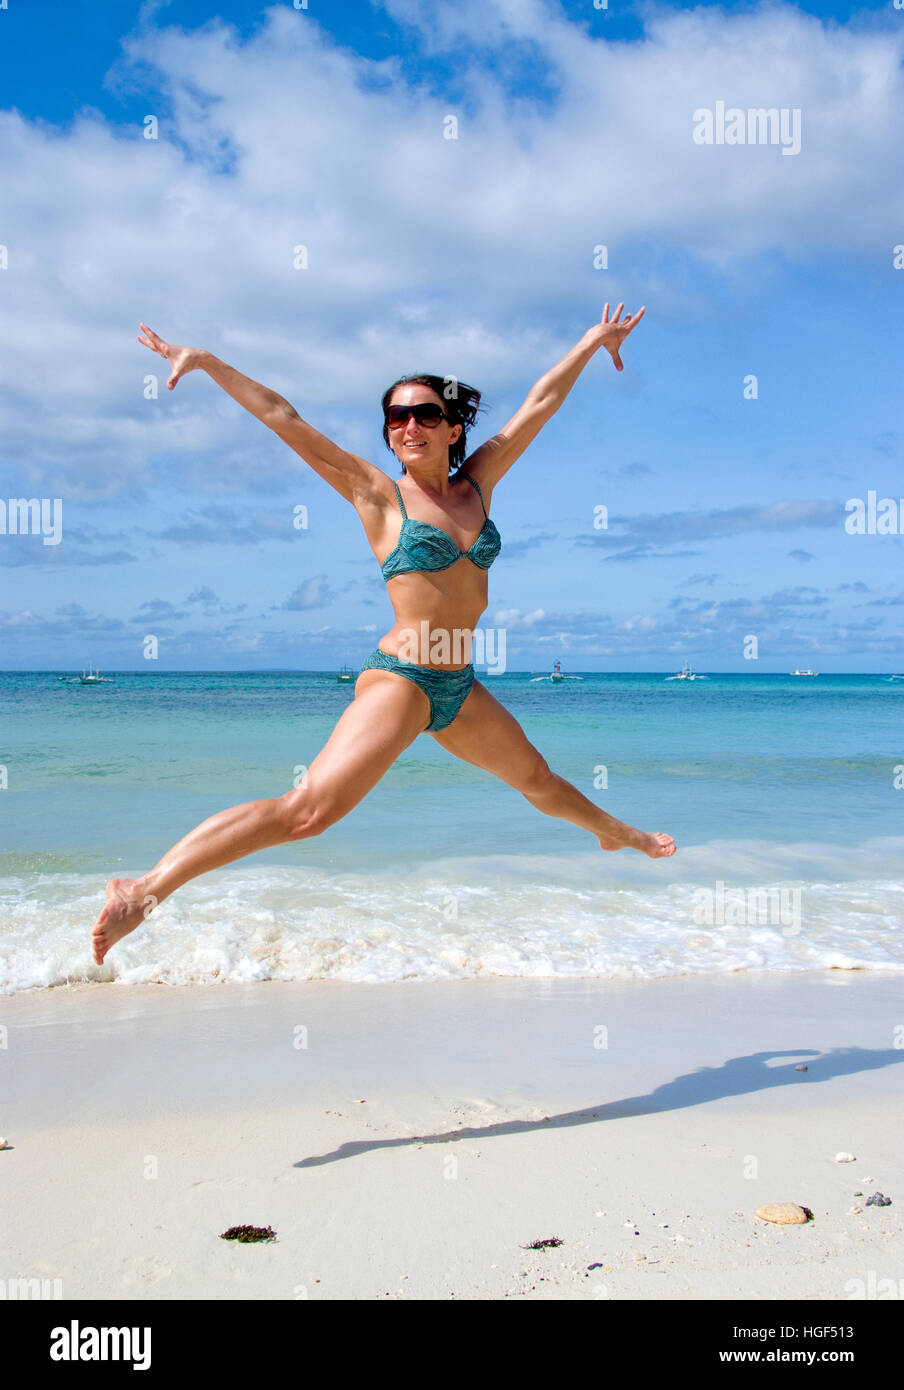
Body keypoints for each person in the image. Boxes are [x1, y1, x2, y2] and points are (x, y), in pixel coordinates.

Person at [92, 305, 675, 965]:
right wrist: (206, 362)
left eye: (425, 413)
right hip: (403, 676)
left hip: (456, 683)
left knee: (538, 780)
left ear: (454, 427)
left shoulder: (478, 486)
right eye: (396, 417)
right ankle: (144, 888)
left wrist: (593, 342)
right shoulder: (377, 496)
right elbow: (286, 419)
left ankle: (615, 833)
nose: (408, 426)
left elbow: (539, 402)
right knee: (308, 811)